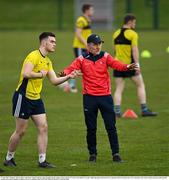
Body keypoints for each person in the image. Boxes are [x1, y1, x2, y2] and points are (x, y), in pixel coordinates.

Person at [3, 32, 81, 168]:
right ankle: (9, 158)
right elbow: (26, 74)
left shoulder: (47, 61)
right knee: (21, 131)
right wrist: (40, 74)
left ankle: (42, 161)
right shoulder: (33, 56)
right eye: (52, 42)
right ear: (44, 42)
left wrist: (69, 76)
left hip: (36, 99)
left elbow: (55, 81)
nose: (54, 44)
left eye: (55, 42)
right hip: (23, 97)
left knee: (43, 127)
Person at [62, 34, 139, 162]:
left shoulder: (105, 56)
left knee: (111, 127)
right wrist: (63, 73)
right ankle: (92, 154)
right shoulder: (81, 59)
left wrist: (127, 66)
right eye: (95, 44)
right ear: (88, 46)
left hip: (105, 98)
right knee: (91, 128)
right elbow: (70, 68)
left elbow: (116, 64)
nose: (98, 46)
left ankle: (116, 154)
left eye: (99, 44)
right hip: (89, 98)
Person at [112, 14, 157, 117]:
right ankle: (144, 110)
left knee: (119, 88)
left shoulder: (115, 33)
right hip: (130, 65)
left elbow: (115, 50)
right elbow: (135, 50)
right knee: (140, 85)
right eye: (134, 22)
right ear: (130, 22)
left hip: (118, 65)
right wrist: (137, 65)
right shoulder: (132, 34)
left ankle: (117, 112)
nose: (135, 24)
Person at [60, 4, 94, 93]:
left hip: (85, 46)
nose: (92, 11)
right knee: (79, 65)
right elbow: (78, 34)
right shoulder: (81, 20)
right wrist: (86, 44)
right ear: (86, 10)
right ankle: (70, 84)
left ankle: (70, 84)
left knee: (84, 66)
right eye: (91, 10)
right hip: (79, 46)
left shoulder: (87, 20)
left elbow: (87, 33)